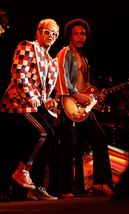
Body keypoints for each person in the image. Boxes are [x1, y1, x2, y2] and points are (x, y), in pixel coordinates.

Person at [0, 18, 60, 200]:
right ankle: (23, 170)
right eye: (46, 32)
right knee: (44, 133)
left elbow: (45, 91)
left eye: (54, 34)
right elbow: (19, 72)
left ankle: (35, 187)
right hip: (18, 103)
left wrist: (48, 101)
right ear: (38, 32)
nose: (50, 36)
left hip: (35, 106)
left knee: (47, 140)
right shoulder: (27, 47)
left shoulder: (51, 61)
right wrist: (30, 95)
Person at [50, 18, 113, 198]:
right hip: (68, 104)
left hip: (84, 108)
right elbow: (61, 81)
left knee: (100, 138)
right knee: (69, 146)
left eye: (83, 33)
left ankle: (101, 183)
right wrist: (79, 96)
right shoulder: (64, 53)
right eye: (76, 33)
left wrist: (94, 97)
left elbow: (85, 85)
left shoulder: (84, 58)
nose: (80, 37)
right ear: (69, 36)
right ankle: (65, 189)